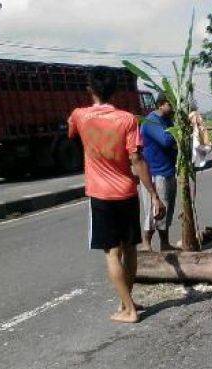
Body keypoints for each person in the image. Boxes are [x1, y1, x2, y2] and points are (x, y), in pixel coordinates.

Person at [68, 67, 166, 324]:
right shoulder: (127, 119)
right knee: (130, 249)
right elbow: (137, 159)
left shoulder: (79, 116)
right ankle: (127, 302)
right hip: (126, 191)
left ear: (90, 89)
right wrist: (154, 195)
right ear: (115, 90)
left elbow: (73, 138)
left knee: (112, 253)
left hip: (101, 194)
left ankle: (130, 310)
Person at [139, 93, 178, 252]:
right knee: (153, 211)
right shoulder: (152, 121)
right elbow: (166, 140)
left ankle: (165, 243)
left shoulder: (167, 120)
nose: (174, 107)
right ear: (161, 104)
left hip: (167, 170)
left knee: (167, 210)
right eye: (171, 104)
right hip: (155, 173)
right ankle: (146, 244)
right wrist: (178, 129)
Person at [189, 100, 211, 168]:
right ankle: (199, 160)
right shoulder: (196, 114)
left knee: (197, 145)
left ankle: (199, 160)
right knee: (198, 145)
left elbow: (196, 122)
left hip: (197, 130)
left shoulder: (193, 114)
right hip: (198, 130)